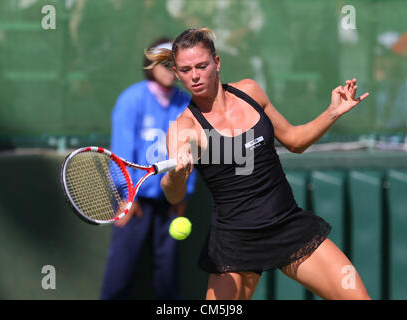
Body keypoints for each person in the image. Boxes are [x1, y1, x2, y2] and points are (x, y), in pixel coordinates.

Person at [145, 28, 371, 300]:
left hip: (288, 224)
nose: (194, 76)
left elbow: (295, 141)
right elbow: (174, 194)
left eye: (201, 66)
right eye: (185, 69)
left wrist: (332, 112)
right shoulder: (185, 128)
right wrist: (176, 175)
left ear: (217, 63)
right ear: (177, 73)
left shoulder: (250, 91)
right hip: (235, 242)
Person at [100, 37, 197, 300]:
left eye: (173, 64)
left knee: (167, 282)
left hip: (169, 203)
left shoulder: (185, 103)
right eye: (162, 63)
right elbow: (120, 153)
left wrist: (183, 194)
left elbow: (192, 151)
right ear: (149, 65)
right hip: (132, 203)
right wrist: (124, 196)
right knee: (119, 279)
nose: (169, 69)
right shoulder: (131, 100)